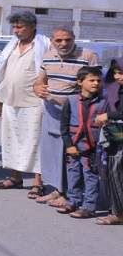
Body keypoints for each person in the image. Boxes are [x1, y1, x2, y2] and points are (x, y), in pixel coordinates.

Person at [0, 11, 51, 191]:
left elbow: (49, 68)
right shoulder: (12, 45)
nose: (16, 30)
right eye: (14, 27)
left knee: (34, 141)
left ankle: (38, 181)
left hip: (34, 101)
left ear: (32, 26)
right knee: (11, 140)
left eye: (20, 27)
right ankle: (15, 177)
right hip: (10, 100)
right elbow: (1, 71)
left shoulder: (44, 44)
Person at [33, 27, 98, 206]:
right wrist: (37, 87)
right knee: (53, 152)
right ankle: (57, 190)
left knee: (72, 153)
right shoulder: (48, 55)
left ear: (74, 38)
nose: (63, 44)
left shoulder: (88, 55)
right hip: (51, 111)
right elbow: (40, 80)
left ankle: (71, 195)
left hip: (76, 113)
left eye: (67, 40)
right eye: (59, 40)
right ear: (52, 40)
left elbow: (95, 84)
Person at [57, 66, 107, 219]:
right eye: (91, 80)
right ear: (80, 82)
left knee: (90, 176)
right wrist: (69, 145)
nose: (95, 83)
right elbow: (64, 126)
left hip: (93, 148)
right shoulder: (71, 101)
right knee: (73, 174)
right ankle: (73, 201)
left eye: (98, 80)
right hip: (73, 146)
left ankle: (89, 206)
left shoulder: (105, 103)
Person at [95, 61, 123, 225]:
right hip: (117, 137)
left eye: (120, 72)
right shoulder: (116, 88)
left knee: (116, 171)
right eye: (115, 72)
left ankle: (118, 213)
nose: (117, 76)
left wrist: (109, 116)